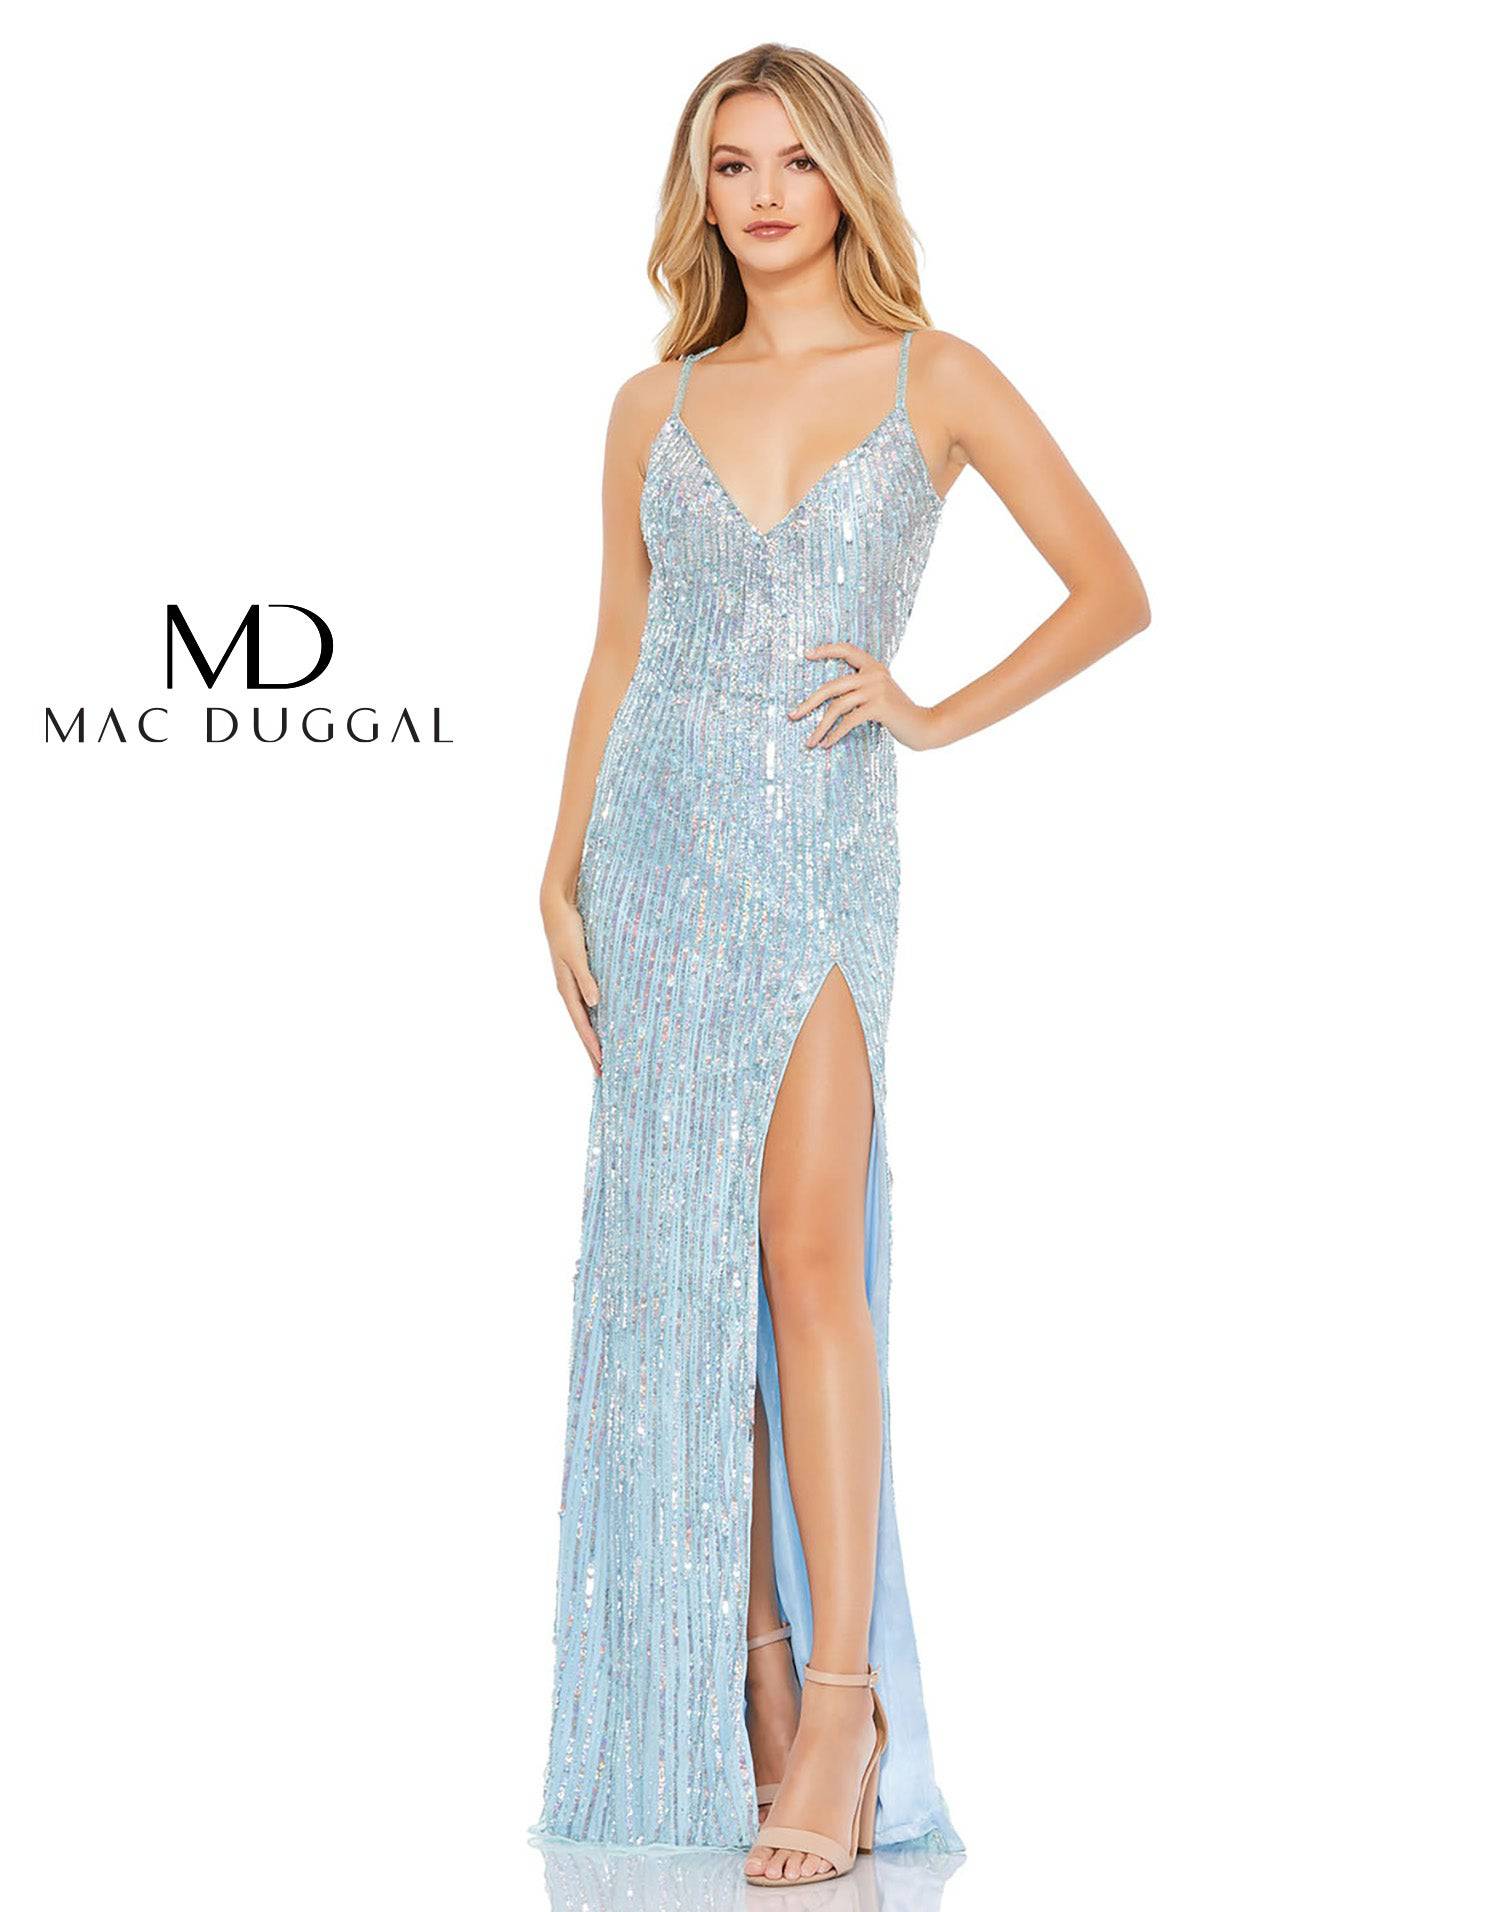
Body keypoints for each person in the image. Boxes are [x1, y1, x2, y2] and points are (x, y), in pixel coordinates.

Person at [531, 41, 1149, 1888]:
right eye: (731, 164)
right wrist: (556, 869)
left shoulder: (932, 378)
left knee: (811, 1263)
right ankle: (746, 1686)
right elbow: (619, 645)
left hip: (815, 860)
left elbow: (1112, 589)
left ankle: (844, 1712)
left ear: (847, 178)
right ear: (700, 194)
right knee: (679, 1287)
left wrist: (931, 712)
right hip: (655, 862)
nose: (764, 194)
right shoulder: (651, 405)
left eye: (795, 160)